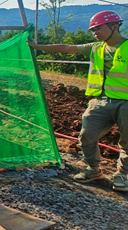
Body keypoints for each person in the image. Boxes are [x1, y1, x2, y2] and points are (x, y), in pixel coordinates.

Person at [28, 10, 128, 192]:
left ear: (115, 26)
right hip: (101, 101)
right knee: (86, 135)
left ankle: (123, 174)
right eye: (93, 30)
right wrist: (37, 46)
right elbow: (66, 48)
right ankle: (94, 169)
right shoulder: (96, 47)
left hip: (126, 103)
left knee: (127, 142)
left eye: (99, 28)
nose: (95, 32)